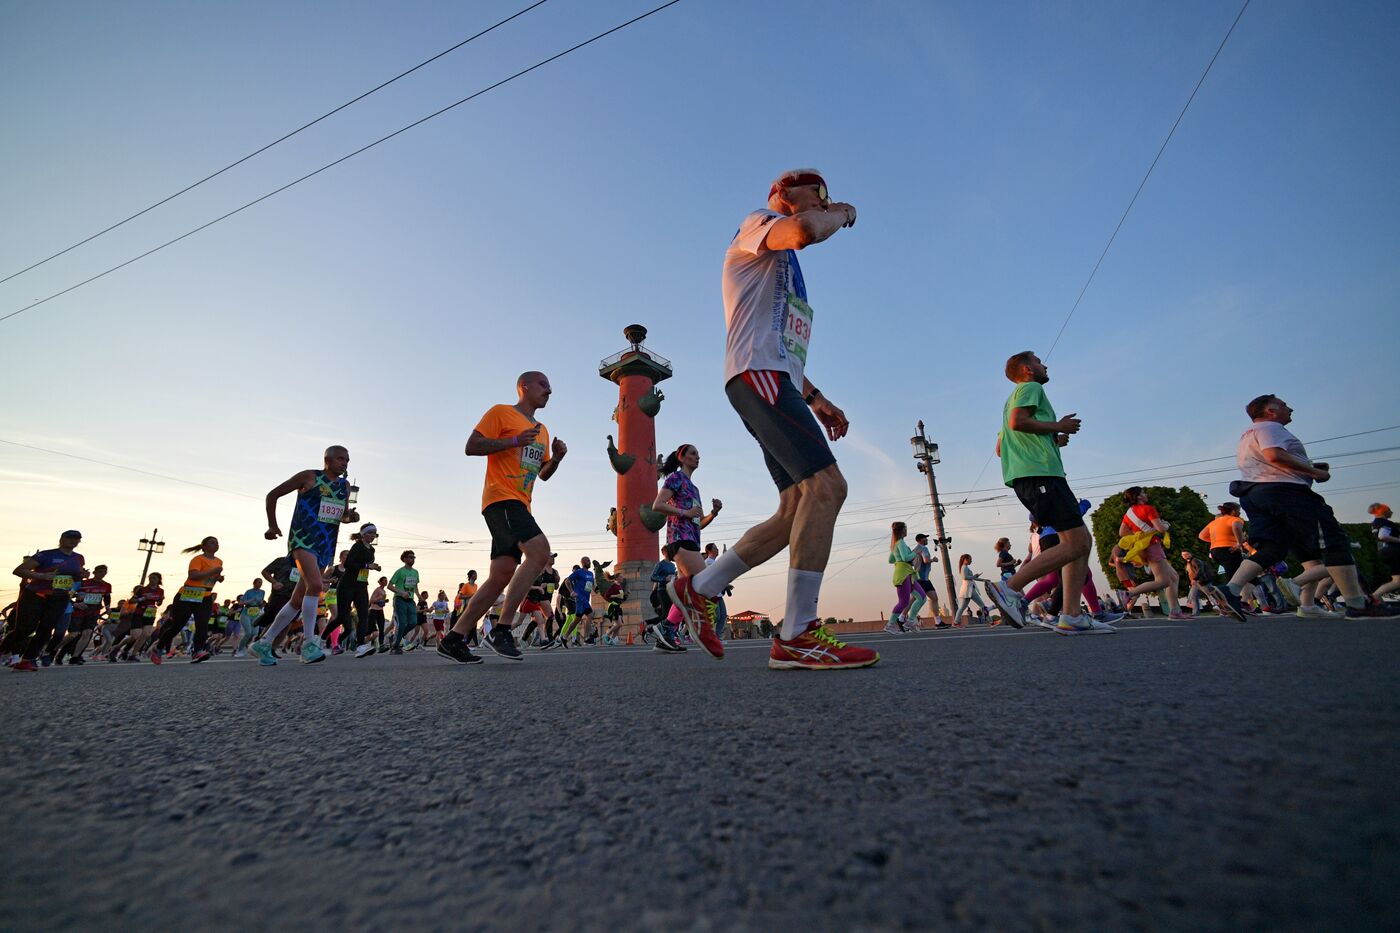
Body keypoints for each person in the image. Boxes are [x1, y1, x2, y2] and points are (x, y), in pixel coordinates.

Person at [668, 168, 878, 671]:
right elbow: (804, 231)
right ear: (784, 193)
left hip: (772, 378)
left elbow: (779, 338)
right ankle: (798, 633)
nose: (825, 202)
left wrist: (815, 396)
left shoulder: (781, 264)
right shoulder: (759, 223)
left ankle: (700, 587)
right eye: (818, 193)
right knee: (829, 487)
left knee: (794, 509)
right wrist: (843, 213)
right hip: (756, 376)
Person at [1221, 395, 1396, 620]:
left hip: (1256, 493)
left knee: (1273, 547)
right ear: (1271, 410)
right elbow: (1274, 455)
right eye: (1285, 405)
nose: (1290, 408)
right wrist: (1314, 472)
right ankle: (1357, 603)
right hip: (1286, 491)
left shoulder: (1247, 437)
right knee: (1333, 540)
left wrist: (1306, 467)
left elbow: (1267, 462)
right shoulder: (1271, 428)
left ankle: (1232, 589)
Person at [438, 371, 568, 664]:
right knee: (540, 552)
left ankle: (454, 638)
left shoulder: (543, 430)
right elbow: (471, 446)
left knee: (500, 576)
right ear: (524, 387)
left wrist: (557, 458)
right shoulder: (501, 413)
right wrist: (513, 440)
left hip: (521, 503)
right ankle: (503, 628)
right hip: (501, 499)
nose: (550, 390)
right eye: (543, 384)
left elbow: (543, 474)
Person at [985, 351, 1113, 635]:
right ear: (1028, 369)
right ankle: (1009, 588)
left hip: (1033, 476)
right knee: (1077, 542)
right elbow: (1019, 422)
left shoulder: (1011, 400)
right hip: (1041, 475)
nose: (1045, 365)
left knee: (1079, 541)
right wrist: (1058, 426)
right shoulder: (1030, 388)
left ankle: (1072, 615)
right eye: (1040, 362)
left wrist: (1052, 439)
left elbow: (1001, 447)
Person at [251, 445, 360, 665]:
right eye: (340, 459)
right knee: (316, 586)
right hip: (303, 539)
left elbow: (342, 515)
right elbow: (273, 495)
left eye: (347, 460)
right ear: (327, 460)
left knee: (298, 598)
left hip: (325, 544)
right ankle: (310, 643)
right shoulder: (309, 477)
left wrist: (351, 518)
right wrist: (272, 525)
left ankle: (264, 643)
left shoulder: (345, 487)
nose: (344, 463)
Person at [651, 443, 725, 656]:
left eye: (698, 455)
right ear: (682, 457)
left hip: (692, 540)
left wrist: (714, 513)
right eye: (693, 454)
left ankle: (667, 631)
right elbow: (658, 504)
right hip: (679, 539)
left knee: (687, 591)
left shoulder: (695, 489)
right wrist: (685, 511)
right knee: (705, 583)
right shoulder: (675, 478)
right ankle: (691, 628)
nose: (697, 457)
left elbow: (698, 522)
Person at [4, 530, 88, 671]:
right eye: (70, 538)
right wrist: (42, 576)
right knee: (25, 628)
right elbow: (19, 570)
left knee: (46, 629)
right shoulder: (46, 554)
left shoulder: (79, 558)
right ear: (61, 539)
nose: (73, 541)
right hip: (36, 595)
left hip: (59, 597)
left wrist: (82, 576)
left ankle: (27, 660)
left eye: (76, 539)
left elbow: (76, 577)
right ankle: (4, 650)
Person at [148, 537, 224, 664]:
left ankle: (197, 651)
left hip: (205, 596)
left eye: (217, 542)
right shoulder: (198, 559)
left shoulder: (219, 561)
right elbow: (193, 576)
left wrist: (218, 578)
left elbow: (210, 577)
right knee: (177, 625)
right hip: (189, 594)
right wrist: (213, 572)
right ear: (204, 546)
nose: (216, 544)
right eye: (212, 542)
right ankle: (158, 647)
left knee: (203, 624)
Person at [1116, 488, 1188, 620]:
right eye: (1143, 493)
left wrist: (1139, 535)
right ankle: (1129, 594)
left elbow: (1122, 532)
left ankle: (1175, 611)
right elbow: (1160, 528)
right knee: (1163, 581)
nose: (1146, 494)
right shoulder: (1148, 508)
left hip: (1144, 547)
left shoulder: (1128, 514)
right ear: (1138, 497)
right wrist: (1166, 525)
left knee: (1173, 577)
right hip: (1153, 546)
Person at [334, 524, 380, 658]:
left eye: (375, 534)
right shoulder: (357, 546)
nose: (372, 536)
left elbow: (367, 565)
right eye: (370, 533)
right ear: (363, 534)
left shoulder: (371, 549)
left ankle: (360, 646)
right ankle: (324, 639)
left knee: (364, 615)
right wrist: (367, 565)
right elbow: (349, 564)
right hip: (347, 585)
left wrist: (373, 567)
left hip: (361, 585)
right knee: (342, 617)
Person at [886, 522, 917, 635]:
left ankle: (910, 621)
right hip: (903, 574)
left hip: (904, 572)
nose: (906, 530)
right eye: (905, 528)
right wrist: (915, 553)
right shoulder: (901, 543)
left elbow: (890, 560)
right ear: (902, 530)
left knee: (920, 596)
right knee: (903, 602)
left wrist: (898, 561)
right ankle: (890, 625)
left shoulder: (895, 544)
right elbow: (905, 557)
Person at [386, 551, 419, 654]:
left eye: (414, 557)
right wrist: (401, 592)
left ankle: (396, 637)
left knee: (413, 622)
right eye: (410, 557)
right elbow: (390, 586)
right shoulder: (400, 572)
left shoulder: (415, 572)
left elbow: (415, 586)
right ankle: (395, 647)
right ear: (404, 559)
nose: (412, 559)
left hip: (410, 600)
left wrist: (419, 596)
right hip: (400, 599)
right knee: (403, 623)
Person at [1368, 504, 1400, 601]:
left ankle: (1374, 598)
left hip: (1385, 552)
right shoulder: (1385, 523)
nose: (1391, 512)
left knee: (1397, 581)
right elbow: (1382, 536)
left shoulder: (1375, 523)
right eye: (1389, 510)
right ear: (1383, 511)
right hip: (1394, 551)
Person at [951, 554, 991, 627]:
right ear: (965, 559)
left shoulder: (965, 567)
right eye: (970, 559)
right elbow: (965, 577)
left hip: (967, 590)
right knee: (982, 605)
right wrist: (974, 576)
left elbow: (972, 578)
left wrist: (984, 580)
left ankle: (956, 622)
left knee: (962, 608)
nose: (971, 561)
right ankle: (991, 621)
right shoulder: (964, 567)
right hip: (969, 590)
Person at [233, 578, 266, 658]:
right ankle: (239, 650)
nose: (260, 584)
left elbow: (261, 603)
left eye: (261, 583)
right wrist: (251, 600)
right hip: (246, 612)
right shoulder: (249, 591)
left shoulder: (262, 592)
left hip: (256, 612)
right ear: (254, 583)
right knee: (248, 633)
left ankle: (245, 646)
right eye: (258, 582)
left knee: (254, 633)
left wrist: (261, 603)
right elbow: (241, 603)